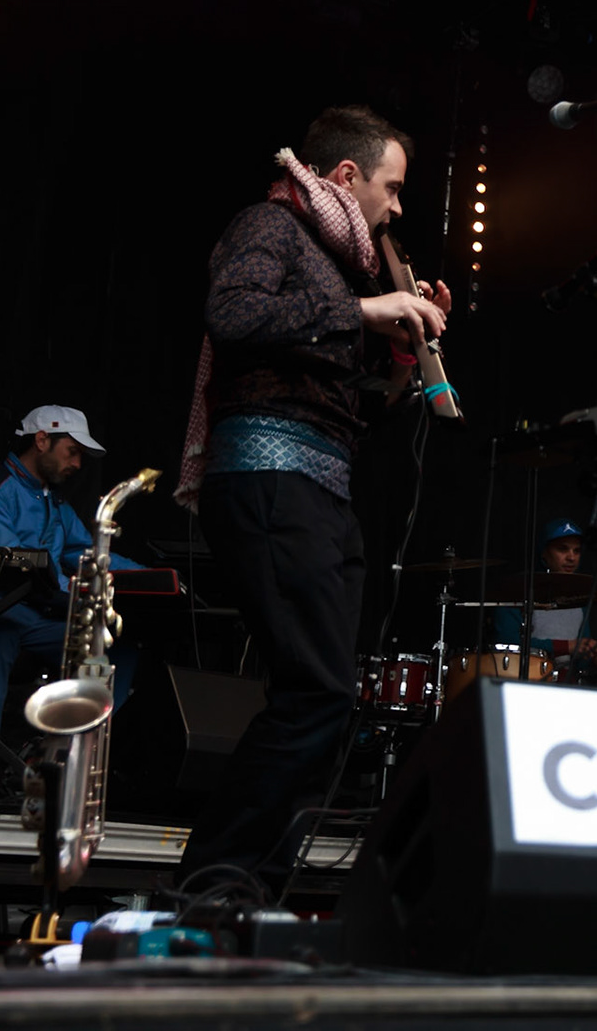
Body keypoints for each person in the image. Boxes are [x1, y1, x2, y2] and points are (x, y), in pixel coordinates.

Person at [173, 104, 450, 894]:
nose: (398, 210)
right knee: (316, 693)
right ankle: (212, 882)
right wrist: (367, 311)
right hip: (266, 477)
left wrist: (402, 367)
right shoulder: (271, 225)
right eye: (393, 190)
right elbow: (233, 314)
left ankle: (252, 889)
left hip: (324, 492)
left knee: (332, 704)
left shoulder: (337, 269)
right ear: (347, 176)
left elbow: (341, 408)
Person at [0, 407, 142, 725]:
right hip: (6, 613)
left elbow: (90, 555)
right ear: (41, 440)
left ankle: (71, 749)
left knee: (118, 649)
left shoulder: (53, 499)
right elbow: (19, 565)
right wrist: (79, 595)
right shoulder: (4, 489)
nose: (77, 464)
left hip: (40, 618)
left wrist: (148, 577)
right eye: (72, 452)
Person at [491, 518, 597, 677]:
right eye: (563, 549)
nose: (571, 557)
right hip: (526, 679)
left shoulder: (580, 597)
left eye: (577, 551)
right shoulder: (518, 591)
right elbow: (506, 642)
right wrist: (565, 646)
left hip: (568, 685)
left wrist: (594, 655)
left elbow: (581, 657)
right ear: (544, 552)